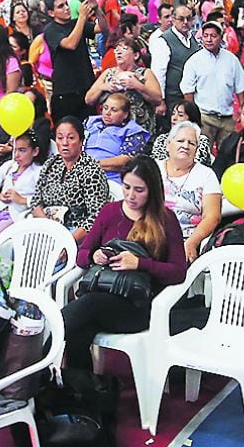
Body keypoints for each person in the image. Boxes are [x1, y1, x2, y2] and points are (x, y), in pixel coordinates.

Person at [61, 156, 186, 370]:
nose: (130, 195)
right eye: (127, 187)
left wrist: (140, 264)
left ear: (152, 190)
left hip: (139, 304)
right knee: (78, 331)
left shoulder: (165, 219)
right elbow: (81, 255)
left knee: (82, 311)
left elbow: (178, 271)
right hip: (102, 292)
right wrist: (95, 256)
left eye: (139, 190)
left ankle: (35, 366)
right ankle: (84, 391)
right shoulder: (110, 211)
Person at [30, 116, 109, 243]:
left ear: (81, 141)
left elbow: (96, 217)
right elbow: (35, 202)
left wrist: (66, 242)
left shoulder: (92, 171)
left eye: (71, 138)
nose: (65, 143)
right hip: (47, 228)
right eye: (60, 138)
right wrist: (49, 229)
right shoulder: (51, 164)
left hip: (76, 233)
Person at [156, 121, 222, 263]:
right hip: (151, 234)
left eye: (191, 143)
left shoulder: (207, 175)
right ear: (168, 144)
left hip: (185, 238)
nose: (185, 146)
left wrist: (192, 242)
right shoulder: (153, 168)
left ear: (196, 149)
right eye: (180, 141)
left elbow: (212, 217)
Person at [180, 20, 244, 151]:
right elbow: (188, 92)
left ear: (220, 38)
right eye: (205, 36)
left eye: (213, 36)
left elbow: (240, 86)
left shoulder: (231, 59)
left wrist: (242, 109)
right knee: (202, 155)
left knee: (228, 155)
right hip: (204, 117)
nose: (209, 39)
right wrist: (193, 117)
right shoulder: (194, 61)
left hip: (227, 117)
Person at [43, 0, 108, 121]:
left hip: (85, 85)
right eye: (60, 6)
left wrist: (97, 9)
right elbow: (70, 44)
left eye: (66, 4)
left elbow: (103, 28)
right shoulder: (51, 29)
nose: (66, 8)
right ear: (51, 13)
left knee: (89, 128)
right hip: (65, 91)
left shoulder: (76, 23)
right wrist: (82, 17)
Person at [85, 38, 162, 134]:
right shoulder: (108, 73)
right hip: (111, 130)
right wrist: (103, 87)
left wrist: (138, 86)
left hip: (139, 129)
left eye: (124, 49)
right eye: (117, 50)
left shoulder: (145, 73)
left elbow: (158, 99)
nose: (118, 52)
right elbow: (88, 100)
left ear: (136, 55)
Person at [0, 131, 47, 234]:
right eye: (15, 150)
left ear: (35, 151)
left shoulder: (39, 172)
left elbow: (44, 198)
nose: (16, 155)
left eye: (22, 150)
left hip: (16, 217)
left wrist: (22, 200)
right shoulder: (10, 166)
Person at [83, 93, 150, 183]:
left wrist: (91, 165)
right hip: (81, 174)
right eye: (105, 108)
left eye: (114, 110)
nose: (107, 113)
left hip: (111, 179)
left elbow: (125, 161)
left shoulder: (133, 131)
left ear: (125, 114)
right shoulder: (90, 123)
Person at [151, 5, 201, 114]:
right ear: (173, 20)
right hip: (172, 98)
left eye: (189, 18)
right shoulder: (163, 41)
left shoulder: (192, 38)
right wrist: (161, 101)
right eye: (181, 19)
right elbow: (158, 73)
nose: (185, 22)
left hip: (192, 96)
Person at [149, 100, 212, 166]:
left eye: (180, 115)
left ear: (191, 119)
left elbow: (197, 164)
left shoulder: (201, 140)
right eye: (173, 114)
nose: (174, 118)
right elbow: (156, 165)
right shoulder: (162, 139)